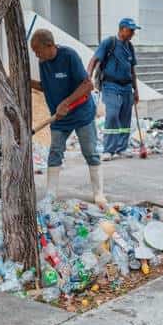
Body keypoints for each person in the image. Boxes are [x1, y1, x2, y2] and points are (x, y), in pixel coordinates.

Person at [29, 29, 105, 206]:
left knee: (90, 152)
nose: (36, 55)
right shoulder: (43, 62)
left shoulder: (69, 56)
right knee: (55, 152)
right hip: (59, 117)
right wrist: (28, 82)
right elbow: (46, 87)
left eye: (37, 50)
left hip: (81, 113)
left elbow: (88, 85)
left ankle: (99, 193)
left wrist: (67, 102)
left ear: (49, 46)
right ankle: (50, 194)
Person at [87, 17, 141, 160]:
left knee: (125, 118)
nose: (132, 34)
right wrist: (88, 77)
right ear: (122, 29)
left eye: (133, 31)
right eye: (131, 30)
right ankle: (109, 150)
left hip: (127, 87)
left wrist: (136, 90)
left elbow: (132, 70)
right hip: (111, 85)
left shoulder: (130, 47)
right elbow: (94, 60)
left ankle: (121, 148)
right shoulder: (109, 43)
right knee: (112, 115)